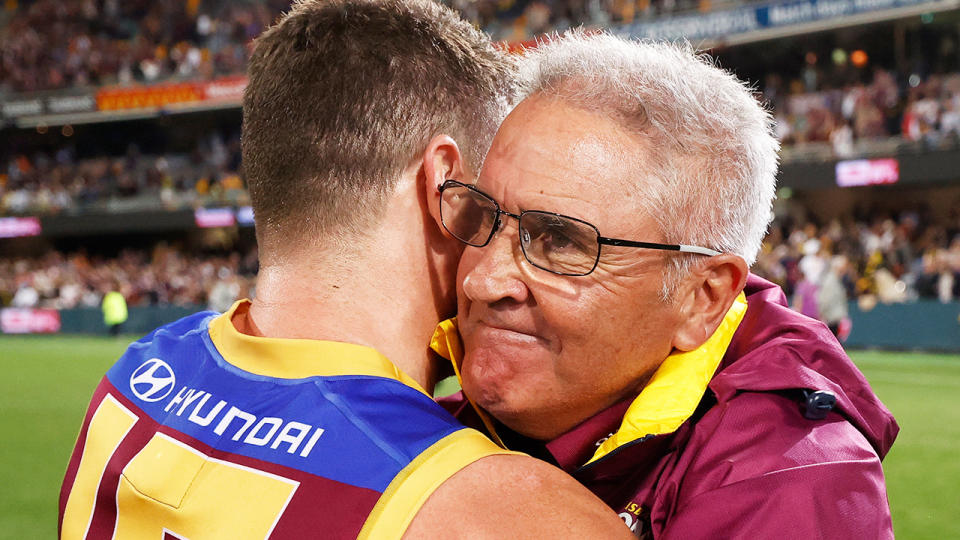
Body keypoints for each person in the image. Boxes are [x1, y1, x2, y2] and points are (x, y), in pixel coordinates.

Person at [58, 3, 633, 539]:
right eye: (495, 204)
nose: (507, 250)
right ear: (445, 185)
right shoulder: (500, 511)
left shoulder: (136, 377)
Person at [431, 32, 899, 538]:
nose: (482, 279)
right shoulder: (419, 417)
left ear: (704, 299)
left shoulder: (791, 483)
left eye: (560, 241)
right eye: (481, 215)